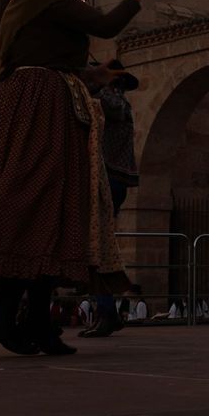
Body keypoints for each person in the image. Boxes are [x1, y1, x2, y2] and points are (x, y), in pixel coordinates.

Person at [0, 0, 165, 356]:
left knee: (50, 207)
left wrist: (89, 75)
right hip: (41, 106)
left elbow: (43, 55)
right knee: (44, 202)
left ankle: (37, 323)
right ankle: (8, 315)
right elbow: (106, 25)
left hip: (21, 100)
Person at [81, 62, 142, 339]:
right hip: (106, 181)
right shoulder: (110, 103)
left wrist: (98, 81)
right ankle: (106, 313)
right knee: (94, 247)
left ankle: (106, 312)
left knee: (97, 247)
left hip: (108, 182)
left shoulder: (114, 104)